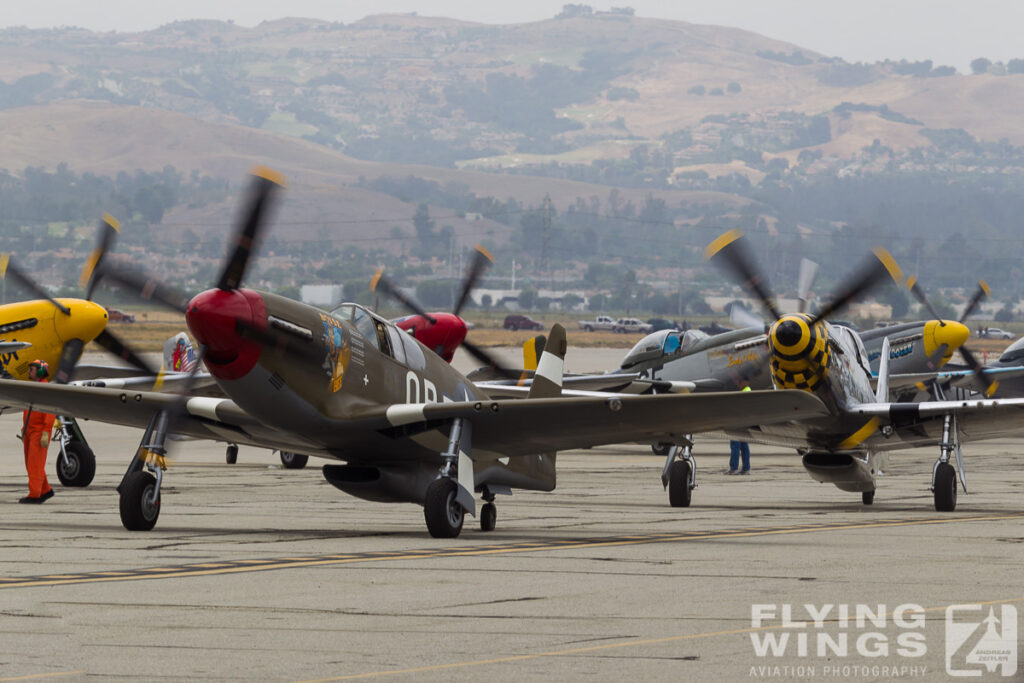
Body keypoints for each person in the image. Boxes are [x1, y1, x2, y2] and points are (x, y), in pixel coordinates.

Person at [19, 360, 56, 504]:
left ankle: (35, 494)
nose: (29, 371)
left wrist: (46, 432)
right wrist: (24, 429)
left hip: (39, 432)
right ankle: (45, 490)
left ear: (40, 372)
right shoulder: (32, 387)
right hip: (29, 430)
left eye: (32, 369)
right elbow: (28, 410)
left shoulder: (46, 389)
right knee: (31, 463)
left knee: (35, 463)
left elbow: (50, 412)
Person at [728, 384, 752, 475]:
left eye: (739, 381)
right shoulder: (747, 390)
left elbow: (739, 407)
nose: (738, 383)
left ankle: (733, 468)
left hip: (738, 421)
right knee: (744, 445)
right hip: (744, 421)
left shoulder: (745, 391)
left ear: (745, 381)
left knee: (735, 444)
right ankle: (746, 468)